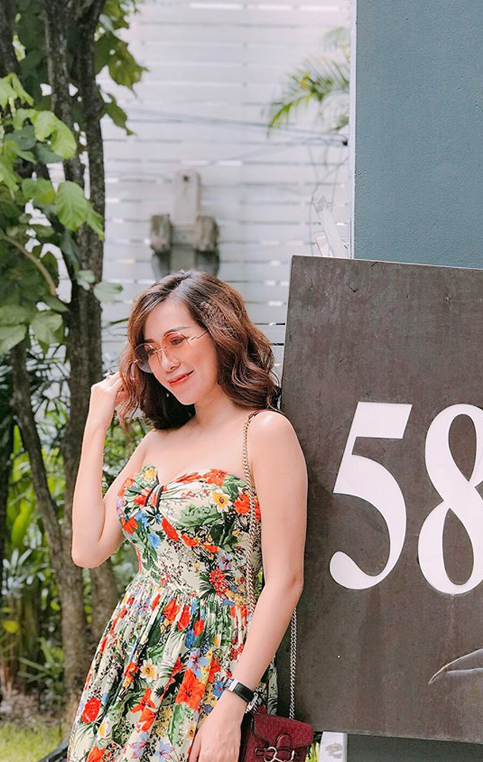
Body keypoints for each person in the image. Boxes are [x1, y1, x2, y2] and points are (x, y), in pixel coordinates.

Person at [67, 269, 307, 762]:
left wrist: (233, 703)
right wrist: (96, 425)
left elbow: (285, 581)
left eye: (177, 340)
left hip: (212, 663)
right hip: (131, 656)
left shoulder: (264, 433)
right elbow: (88, 548)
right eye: (151, 350)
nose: (166, 362)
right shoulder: (157, 443)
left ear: (220, 332)